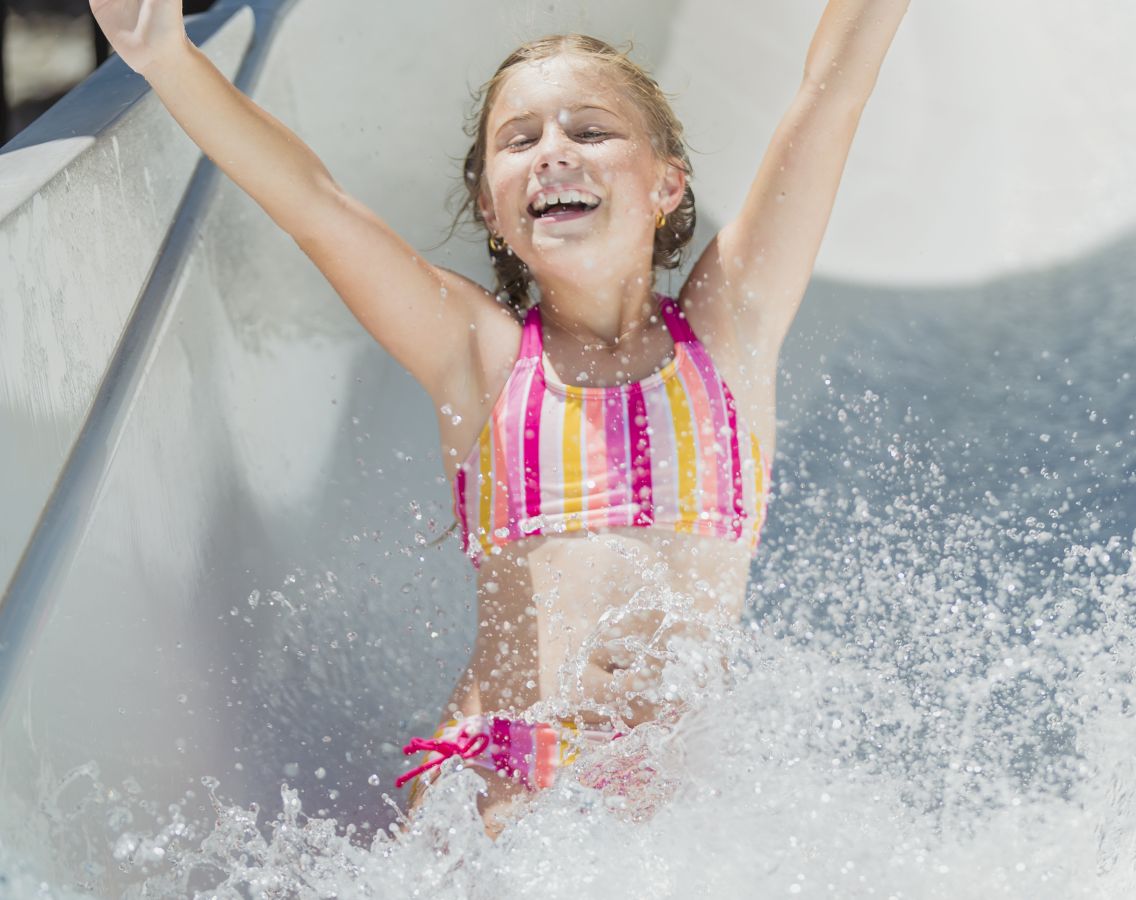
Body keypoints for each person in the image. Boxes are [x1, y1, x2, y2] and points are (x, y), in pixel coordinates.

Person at [91, 0, 910, 839]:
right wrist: (166, 58)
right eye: (519, 141)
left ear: (668, 182)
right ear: (490, 205)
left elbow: (828, 95)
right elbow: (317, 206)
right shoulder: (481, 360)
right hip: (512, 776)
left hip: (680, 786)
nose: (553, 149)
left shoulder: (727, 330)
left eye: (590, 131)